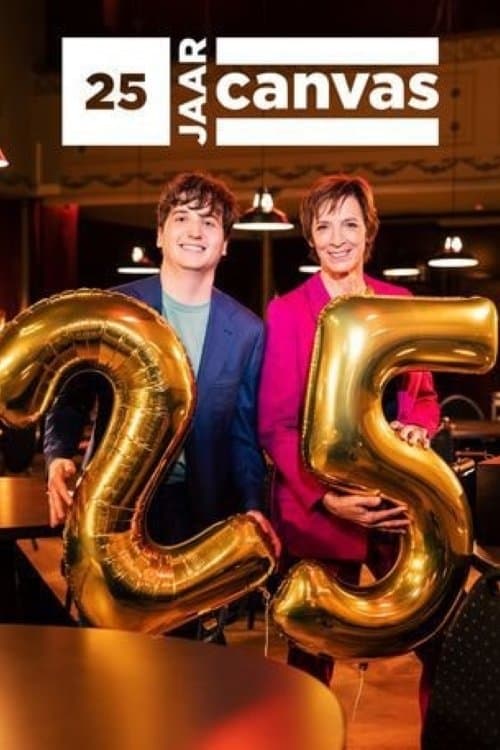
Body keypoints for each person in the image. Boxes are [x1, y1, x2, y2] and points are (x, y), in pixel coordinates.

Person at [44, 171, 279, 639]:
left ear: (225, 244)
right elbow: (71, 396)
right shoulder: (115, 308)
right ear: (159, 234)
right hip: (115, 508)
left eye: (209, 223)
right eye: (182, 217)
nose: (195, 230)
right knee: (111, 651)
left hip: (200, 512)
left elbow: (243, 435)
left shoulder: (248, 331)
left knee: (194, 654)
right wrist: (58, 456)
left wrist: (254, 505)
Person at [258, 174, 440, 707]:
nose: (337, 238)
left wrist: (419, 425)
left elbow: (425, 397)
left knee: (441, 644)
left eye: (350, 224)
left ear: (368, 232)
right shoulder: (287, 312)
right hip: (320, 514)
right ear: (310, 238)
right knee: (309, 665)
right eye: (324, 226)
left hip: (396, 511)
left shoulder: (401, 302)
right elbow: (275, 425)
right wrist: (327, 498)